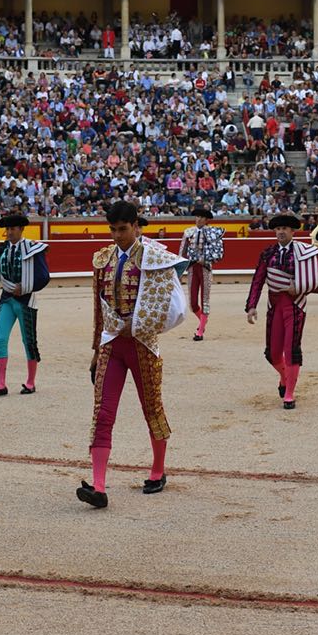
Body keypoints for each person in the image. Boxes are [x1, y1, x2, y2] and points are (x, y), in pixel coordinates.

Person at [78, 200, 189, 509]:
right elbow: (99, 309)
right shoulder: (103, 259)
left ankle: (158, 471)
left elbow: (174, 307)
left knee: (152, 408)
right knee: (103, 413)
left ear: (136, 227)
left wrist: (139, 325)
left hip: (143, 345)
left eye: (123, 229)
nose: (117, 236)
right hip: (112, 345)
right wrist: (95, 350)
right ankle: (98, 486)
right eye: (112, 230)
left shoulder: (155, 258)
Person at [244, 213, 318, 409]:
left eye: (284, 229)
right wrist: (251, 305)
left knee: (291, 349)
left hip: (295, 304)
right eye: (278, 229)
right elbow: (258, 280)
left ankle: (289, 393)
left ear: (292, 231)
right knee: (272, 353)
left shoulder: (303, 252)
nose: (280, 232)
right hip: (274, 306)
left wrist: (300, 287)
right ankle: (285, 377)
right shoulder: (268, 253)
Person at [0, 212, 50, 396]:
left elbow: (44, 277)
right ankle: (1, 384)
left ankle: (30, 382)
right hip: (7, 298)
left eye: (12, 228)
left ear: (21, 229)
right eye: (7, 229)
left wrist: (27, 287)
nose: (9, 232)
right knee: (0, 338)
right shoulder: (2, 249)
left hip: (26, 300)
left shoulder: (33, 248)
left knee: (28, 341)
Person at [181, 205, 225, 341]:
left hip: (205, 269)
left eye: (201, 217)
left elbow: (218, 252)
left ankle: (200, 331)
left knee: (205, 300)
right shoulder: (188, 232)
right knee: (193, 303)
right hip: (192, 269)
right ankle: (203, 321)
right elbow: (182, 252)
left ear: (206, 220)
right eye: (197, 216)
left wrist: (205, 259)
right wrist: (179, 269)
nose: (198, 219)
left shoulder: (213, 233)